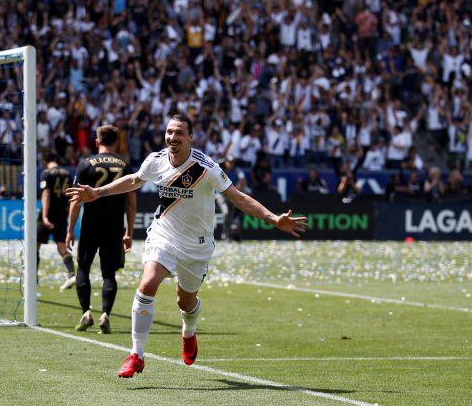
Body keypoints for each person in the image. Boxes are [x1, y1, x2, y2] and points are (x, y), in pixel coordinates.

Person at [66, 113, 307, 378]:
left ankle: (189, 331)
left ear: (190, 137)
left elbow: (237, 198)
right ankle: (136, 355)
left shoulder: (206, 167)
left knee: (186, 301)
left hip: (197, 245)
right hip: (164, 235)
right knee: (147, 284)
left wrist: (273, 219)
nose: (172, 137)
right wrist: (98, 192)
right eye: (169, 132)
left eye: (179, 132)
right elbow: (134, 180)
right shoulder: (156, 161)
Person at [66, 126, 136, 334]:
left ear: (97, 142)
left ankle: (86, 312)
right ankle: (105, 315)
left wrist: (70, 229)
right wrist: (129, 232)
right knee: (109, 274)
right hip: (114, 227)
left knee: (83, 269)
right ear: (117, 142)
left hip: (91, 226)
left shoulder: (86, 164)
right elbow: (132, 203)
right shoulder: (126, 166)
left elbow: (75, 201)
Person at [37, 153, 75, 290]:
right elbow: (72, 196)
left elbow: (46, 194)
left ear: (44, 161)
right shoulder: (67, 174)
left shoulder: (46, 173)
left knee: (35, 245)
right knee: (62, 247)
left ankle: (32, 278)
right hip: (62, 214)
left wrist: (45, 216)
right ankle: (71, 274)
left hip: (49, 214)